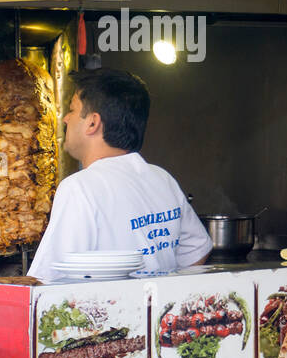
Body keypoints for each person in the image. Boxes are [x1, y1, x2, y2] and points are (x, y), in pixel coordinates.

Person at [27, 68, 212, 281]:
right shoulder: (162, 178)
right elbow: (198, 248)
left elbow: (45, 281)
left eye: (72, 110)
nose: (66, 119)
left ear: (92, 123)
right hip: (154, 313)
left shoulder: (80, 187)